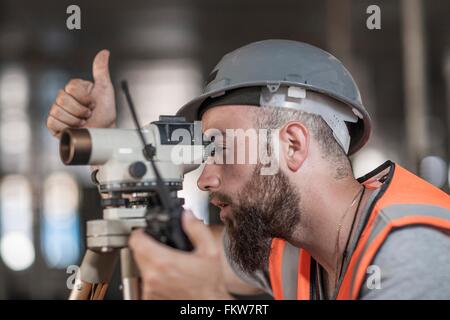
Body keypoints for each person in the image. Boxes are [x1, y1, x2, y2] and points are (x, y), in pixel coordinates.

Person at [46, 40, 450, 300]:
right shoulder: (286, 246)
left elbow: (201, 281)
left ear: (291, 145)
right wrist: (110, 156)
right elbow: (174, 258)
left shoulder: (412, 252)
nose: (204, 179)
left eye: (221, 147)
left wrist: (209, 302)